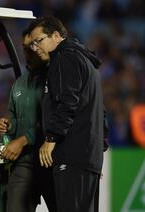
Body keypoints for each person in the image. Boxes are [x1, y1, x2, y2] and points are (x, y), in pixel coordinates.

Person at [27, 16, 108, 212]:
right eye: (32, 45)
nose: (36, 48)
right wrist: (96, 152)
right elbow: (101, 113)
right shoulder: (84, 61)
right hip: (86, 156)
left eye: (38, 41)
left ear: (56, 36)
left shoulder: (64, 57)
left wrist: (51, 138)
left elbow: (67, 102)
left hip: (71, 155)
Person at [0, 32, 56, 212]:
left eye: (32, 47)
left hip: (51, 159)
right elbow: (15, 115)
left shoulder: (54, 78)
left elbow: (53, 119)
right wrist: (8, 124)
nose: (28, 52)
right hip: (24, 162)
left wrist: (22, 140)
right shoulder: (19, 83)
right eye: (25, 48)